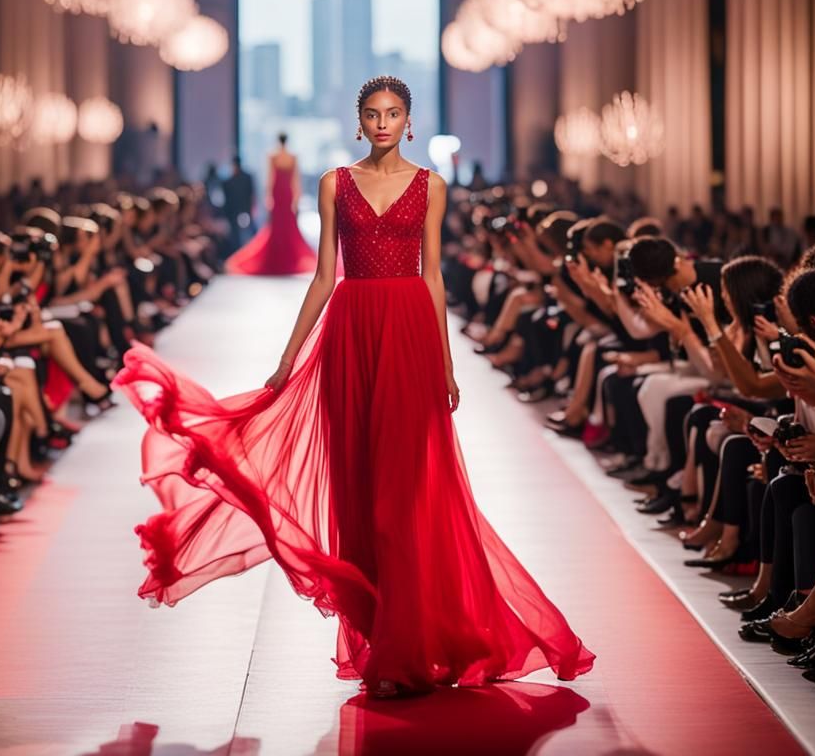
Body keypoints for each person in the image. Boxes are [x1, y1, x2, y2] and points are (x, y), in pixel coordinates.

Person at [116, 75, 594, 698]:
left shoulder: (432, 187)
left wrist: (445, 364)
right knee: (360, 494)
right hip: (350, 335)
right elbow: (323, 278)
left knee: (407, 496)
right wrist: (288, 358)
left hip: (409, 340)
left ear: (410, 121)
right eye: (373, 114)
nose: (383, 123)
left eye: (394, 113)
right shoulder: (334, 183)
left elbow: (433, 277)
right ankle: (382, 636)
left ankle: (409, 645)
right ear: (359, 122)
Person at [225, 133, 318, 276]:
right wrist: (296, 198)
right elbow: (295, 180)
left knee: (279, 227)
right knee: (285, 227)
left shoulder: (272, 156)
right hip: (286, 194)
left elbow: (270, 179)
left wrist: (268, 197)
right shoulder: (292, 157)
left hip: (279, 193)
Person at [222, 155, 256, 251]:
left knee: (238, 237)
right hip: (243, 211)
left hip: (237, 212)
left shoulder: (228, 182)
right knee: (246, 236)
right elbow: (252, 195)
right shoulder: (247, 178)